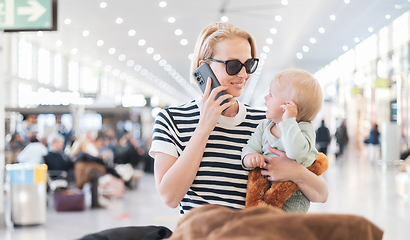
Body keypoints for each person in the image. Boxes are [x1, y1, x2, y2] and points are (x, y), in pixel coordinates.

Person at [149, 22, 328, 215]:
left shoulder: (267, 122)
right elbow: (170, 197)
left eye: (249, 65)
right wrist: (204, 127)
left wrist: (296, 172)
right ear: (205, 67)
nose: (243, 74)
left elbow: (321, 194)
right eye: (233, 65)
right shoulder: (172, 119)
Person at [241, 69, 323, 212]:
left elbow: (295, 152)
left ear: (288, 106)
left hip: (294, 195)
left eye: (271, 95)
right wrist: (249, 158)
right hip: (268, 189)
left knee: (284, 229)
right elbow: (251, 146)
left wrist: (289, 121)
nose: (266, 98)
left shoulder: (303, 128)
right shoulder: (265, 126)